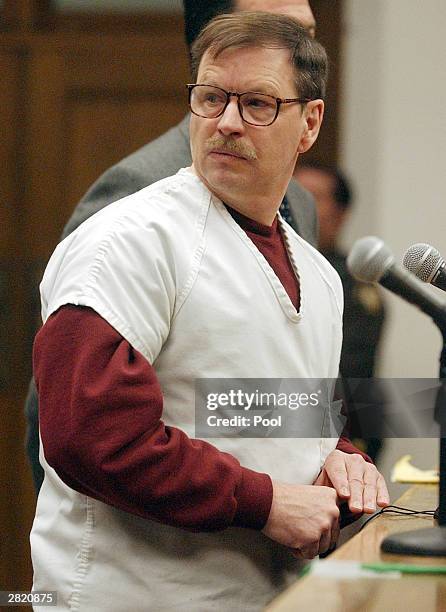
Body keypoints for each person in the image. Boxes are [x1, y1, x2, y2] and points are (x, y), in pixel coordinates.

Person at [31, 13, 389, 611]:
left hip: (264, 594)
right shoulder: (130, 239)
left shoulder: (320, 276)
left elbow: (265, 412)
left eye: (256, 104)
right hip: (127, 597)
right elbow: (92, 435)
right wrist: (266, 501)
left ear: (311, 123)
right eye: (211, 98)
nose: (225, 122)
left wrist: (340, 461)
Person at [25, 0, 320, 493]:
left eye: (308, 33)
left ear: (310, 122)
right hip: (142, 542)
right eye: (281, 31)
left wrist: (342, 449)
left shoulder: (299, 205)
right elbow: (69, 413)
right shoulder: (135, 197)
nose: (304, 52)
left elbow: (250, 391)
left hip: (257, 547)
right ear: (216, 42)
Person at [295, 163, 386, 461]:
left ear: (341, 213)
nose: (295, 204)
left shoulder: (355, 285)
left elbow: (346, 378)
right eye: (292, 194)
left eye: (310, 196)